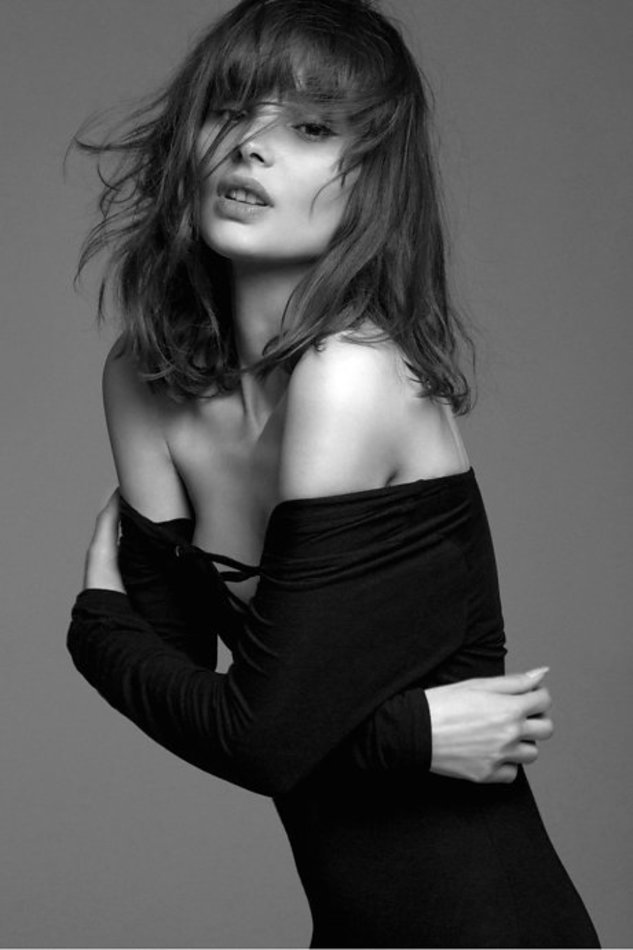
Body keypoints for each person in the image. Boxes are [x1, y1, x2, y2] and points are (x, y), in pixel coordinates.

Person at [67, 0, 599, 945]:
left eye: (311, 129)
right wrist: (410, 736)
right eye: (230, 108)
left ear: (373, 181)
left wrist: (95, 634)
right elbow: (192, 681)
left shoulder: (353, 375)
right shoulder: (143, 380)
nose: (251, 145)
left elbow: (252, 737)